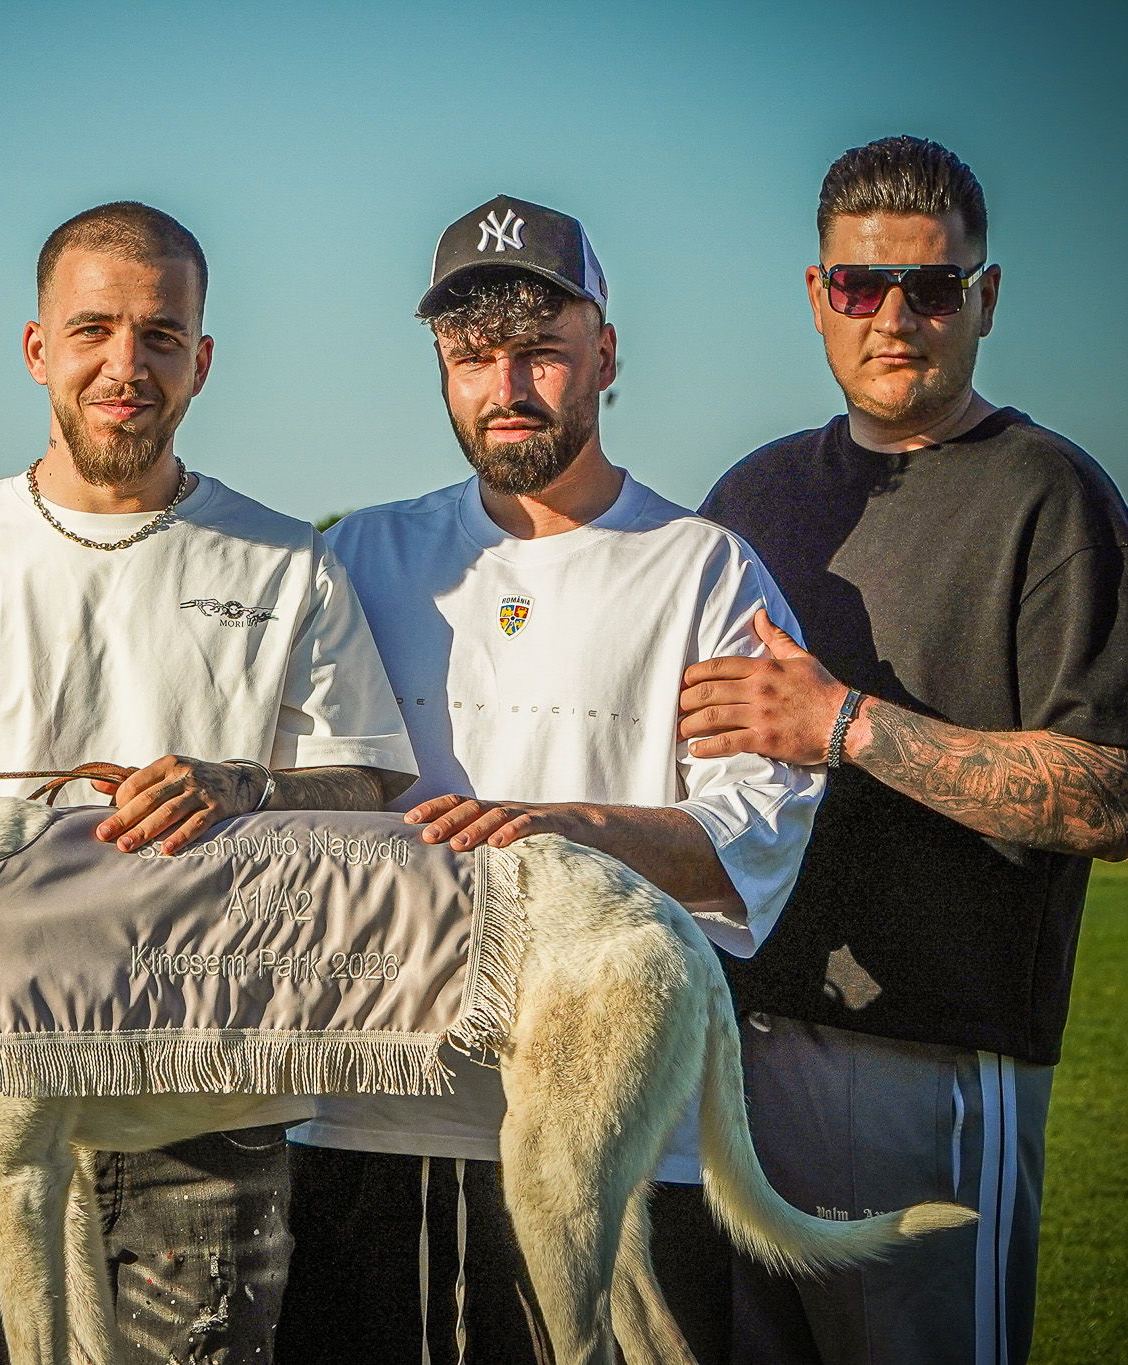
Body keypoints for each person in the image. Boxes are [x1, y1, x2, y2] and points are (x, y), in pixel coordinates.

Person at [0, 201, 417, 1364]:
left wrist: (244, 786)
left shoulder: (287, 560)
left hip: (204, 1107)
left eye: (159, 336)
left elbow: (373, 787)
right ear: (37, 347)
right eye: (92, 330)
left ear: (202, 360)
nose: (125, 366)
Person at [276, 196, 823, 1365]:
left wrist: (552, 829)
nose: (506, 386)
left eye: (539, 351)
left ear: (605, 355)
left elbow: (752, 834)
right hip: (373, 1112)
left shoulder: (702, 571)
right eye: (473, 357)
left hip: (623, 1131)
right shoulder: (360, 554)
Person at [680, 136, 1128, 1365]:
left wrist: (844, 725)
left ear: (983, 298)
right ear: (816, 294)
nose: (893, 318)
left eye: (932, 287)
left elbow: (1109, 795)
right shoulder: (749, 498)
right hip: (727, 1047)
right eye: (860, 285)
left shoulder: (1050, 497)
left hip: (933, 1060)